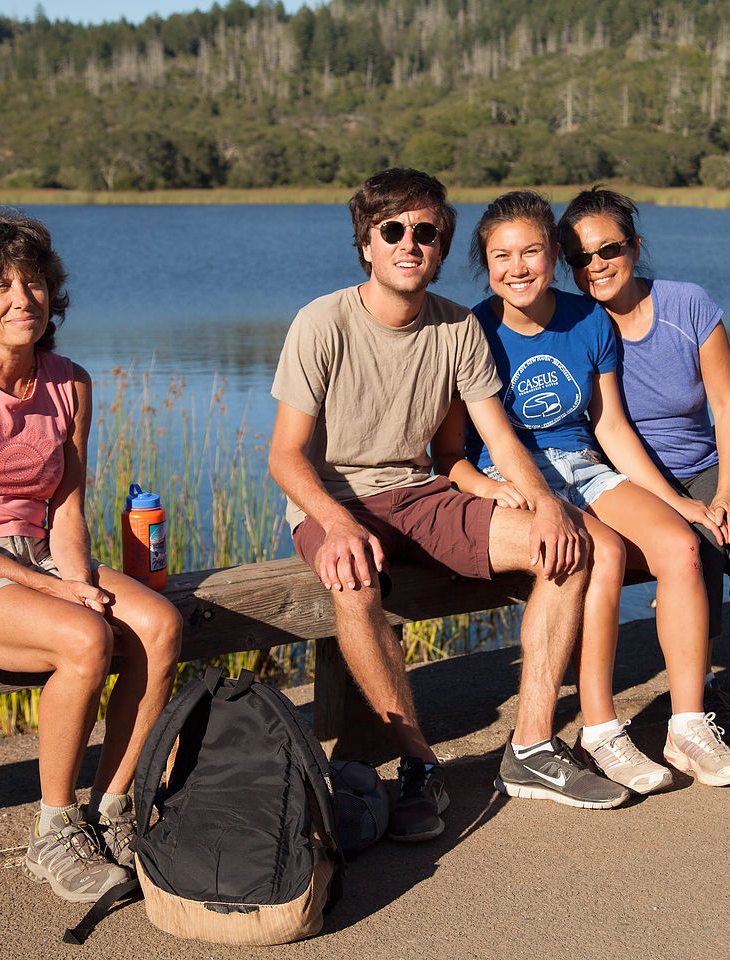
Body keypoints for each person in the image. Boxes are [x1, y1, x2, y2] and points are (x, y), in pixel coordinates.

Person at [268, 169, 630, 842]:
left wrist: (549, 506)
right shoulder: (321, 322)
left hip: (422, 492)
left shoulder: (458, 327)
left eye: (426, 232)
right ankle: (418, 766)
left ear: (440, 247)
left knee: (569, 555)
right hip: (337, 498)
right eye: (393, 231)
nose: (410, 243)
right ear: (367, 243)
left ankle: (530, 748)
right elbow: (285, 456)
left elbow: (497, 435)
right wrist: (338, 524)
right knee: (354, 583)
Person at [0, 210, 183, 904]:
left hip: (40, 558)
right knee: (85, 637)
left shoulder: (71, 382)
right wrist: (54, 594)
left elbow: (68, 511)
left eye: (33, 283)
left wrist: (77, 579)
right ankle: (53, 832)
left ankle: (113, 810)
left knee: (160, 624)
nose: (21, 298)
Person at [433, 191, 730, 791]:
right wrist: (488, 490)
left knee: (679, 545)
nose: (517, 268)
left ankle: (688, 726)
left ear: (555, 255)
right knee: (600, 554)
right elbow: (448, 455)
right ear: (485, 262)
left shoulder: (588, 320)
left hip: (583, 465)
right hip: (514, 479)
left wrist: (676, 500)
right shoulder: (471, 331)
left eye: (531, 251)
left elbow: (610, 427)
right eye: (501, 256)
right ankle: (601, 731)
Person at [558, 186, 730, 752]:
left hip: (701, 465)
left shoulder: (687, 304)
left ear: (636, 246)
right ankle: (702, 692)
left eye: (610, 249)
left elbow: (726, 404)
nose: (596, 265)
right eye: (579, 258)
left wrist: (727, 489)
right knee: (691, 553)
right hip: (623, 479)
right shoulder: (574, 324)